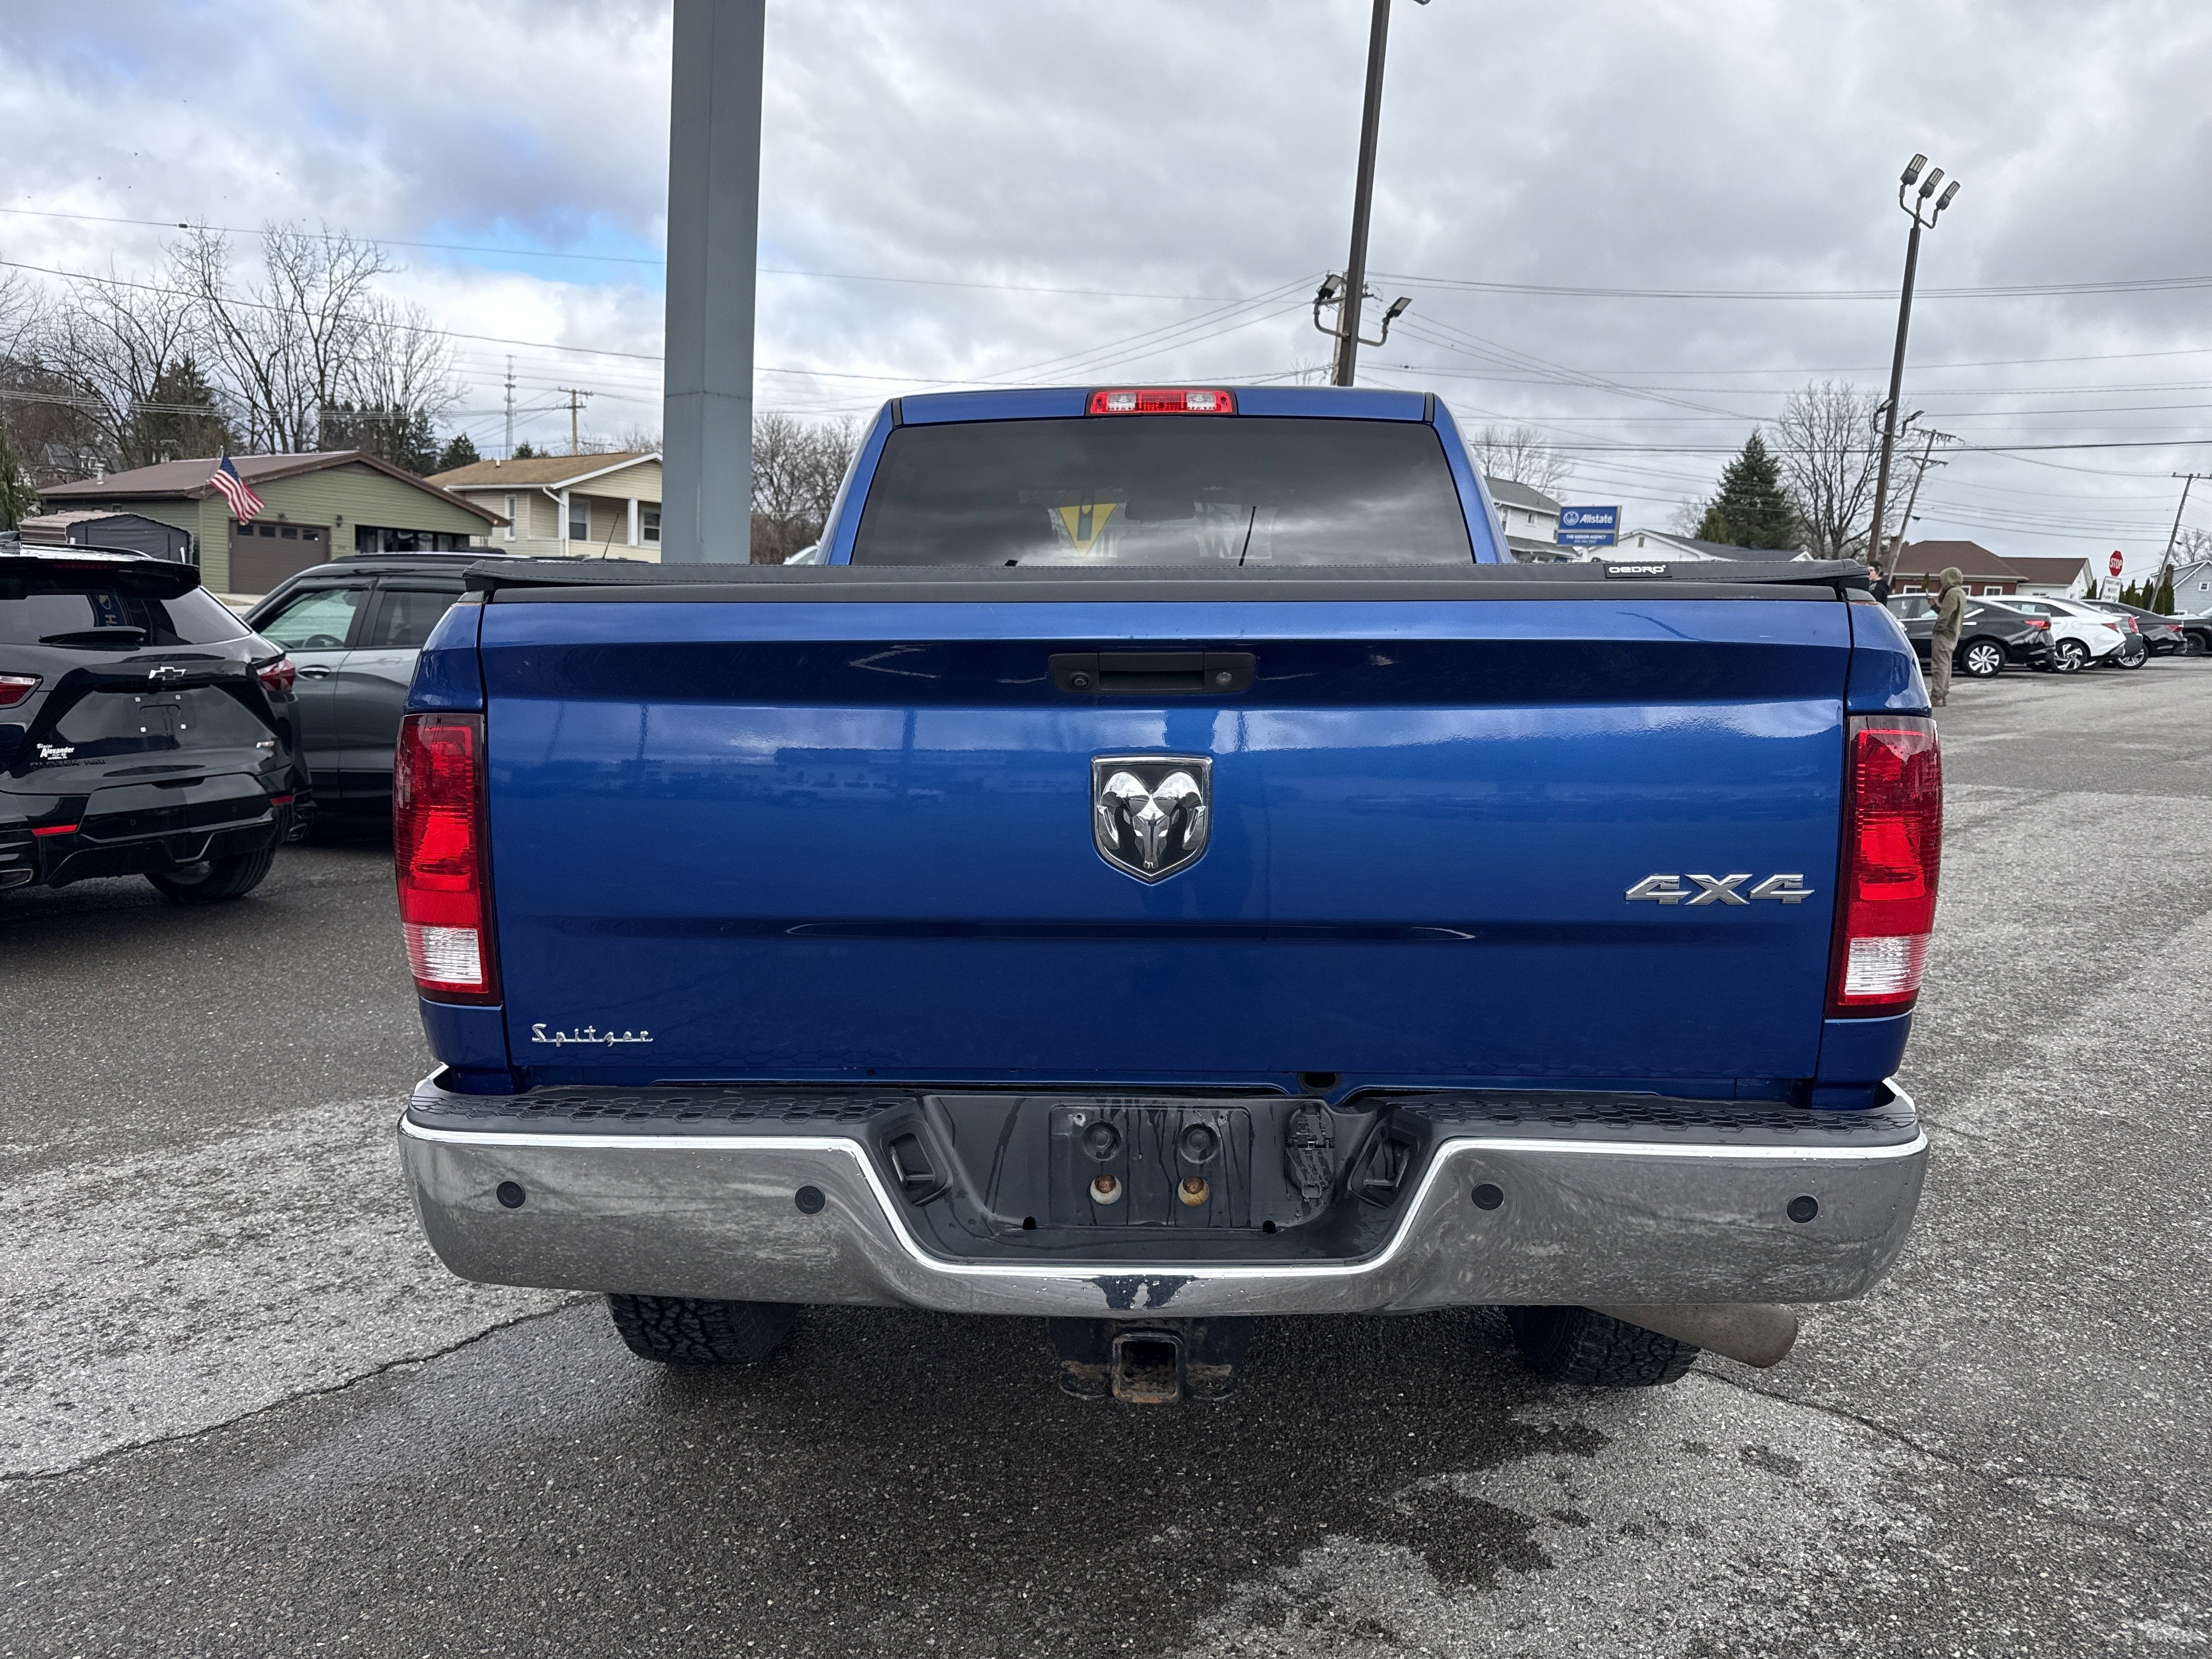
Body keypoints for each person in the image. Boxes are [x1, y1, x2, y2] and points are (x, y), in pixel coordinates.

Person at [1928, 566, 1967, 708]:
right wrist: (1935, 606)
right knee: (1946, 666)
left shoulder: (1952, 593)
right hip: (1953, 635)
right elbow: (1948, 612)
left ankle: (1937, 697)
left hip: (1945, 635)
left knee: (1939, 667)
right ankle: (1942, 695)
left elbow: (1945, 616)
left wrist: (1938, 629)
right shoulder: (1960, 592)